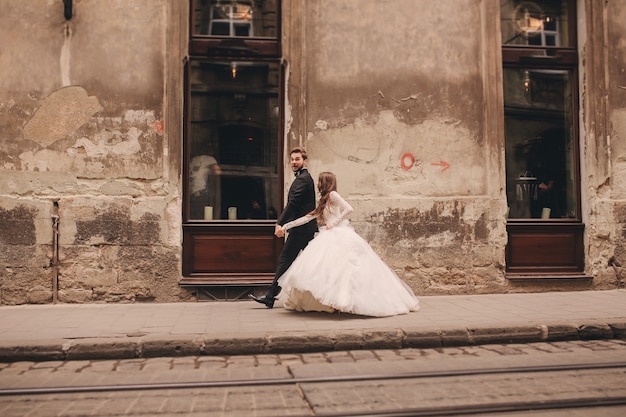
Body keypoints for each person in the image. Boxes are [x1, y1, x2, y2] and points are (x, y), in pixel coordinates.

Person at [275, 172, 419, 317]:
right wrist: (285, 226)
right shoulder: (324, 200)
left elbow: (349, 209)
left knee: (345, 270)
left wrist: (334, 223)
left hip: (339, 234)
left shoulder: (333, 195)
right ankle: (333, 302)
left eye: (320, 181)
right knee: (331, 271)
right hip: (329, 234)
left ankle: (343, 301)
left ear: (325, 182)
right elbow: (307, 217)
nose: (317, 184)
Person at [248, 147, 318, 308]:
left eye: (297, 159)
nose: (294, 162)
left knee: (285, 260)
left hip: (301, 230)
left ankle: (271, 296)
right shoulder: (304, 178)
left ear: (304, 161)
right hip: (304, 228)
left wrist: (280, 223)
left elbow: (292, 204)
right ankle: (272, 295)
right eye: (292, 159)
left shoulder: (303, 179)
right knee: (306, 262)